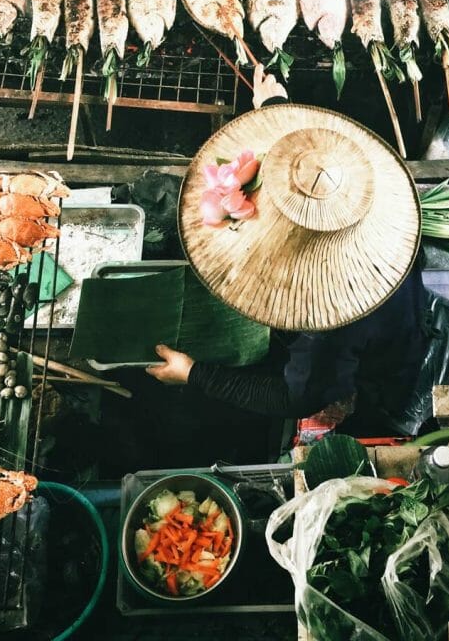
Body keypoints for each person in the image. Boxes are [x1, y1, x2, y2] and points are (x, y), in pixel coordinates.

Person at [146, 65, 428, 439]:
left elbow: (293, 399)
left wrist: (194, 373)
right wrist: (275, 106)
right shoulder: (359, 184)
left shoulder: (328, 323)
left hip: (384, 365)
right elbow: (314, 173)